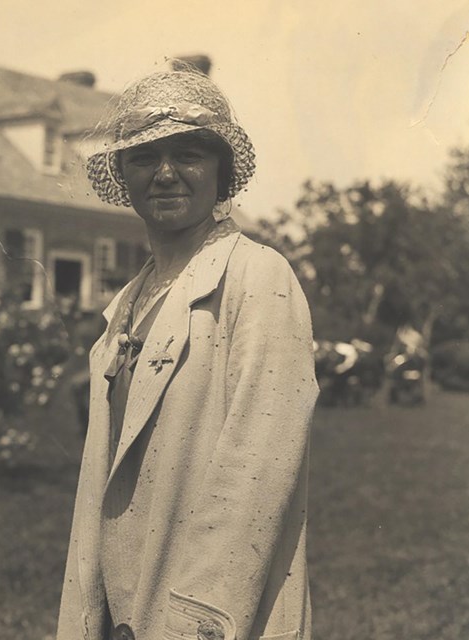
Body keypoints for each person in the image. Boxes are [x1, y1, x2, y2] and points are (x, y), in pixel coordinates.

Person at [57, 67, 318, 640]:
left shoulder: (257, 278)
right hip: (120, 605)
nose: (167, 174)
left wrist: (192, 622)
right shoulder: (125, 305)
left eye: (191, 153)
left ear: (223, 173)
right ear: (123, 175)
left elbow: (257, 472)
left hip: (211, 610)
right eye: (146, 157)